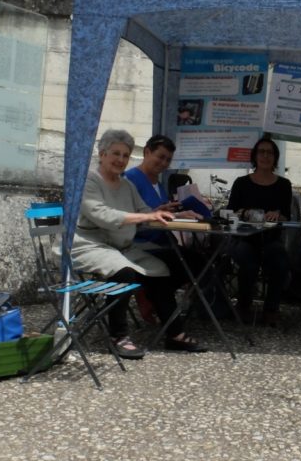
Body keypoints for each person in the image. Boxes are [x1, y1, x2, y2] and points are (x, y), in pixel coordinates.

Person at [70, 129, 206, 356]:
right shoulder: (88, 181)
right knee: (124, 272)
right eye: (116, 154)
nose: (121, 160)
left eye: (125, 156)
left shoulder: (126, 185)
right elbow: (104, 215)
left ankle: (174, 334)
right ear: (102, 154)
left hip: (120, 247)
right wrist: (147, 216)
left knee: (160, 270)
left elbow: (145, 213)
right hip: (89, 246)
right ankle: (118, 335)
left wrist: (174, 214)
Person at [123, 134, 207, 322]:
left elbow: (160, 213)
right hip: (141, 244)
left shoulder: (158, 184)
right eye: (160, 157)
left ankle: (152, 295)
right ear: (146, 152)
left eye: (168, 160)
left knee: (199, 261)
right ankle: (152, 295)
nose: (163, 163)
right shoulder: (130, 179)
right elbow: (126, 217)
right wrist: (157, 213)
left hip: (163, 242)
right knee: (192, 262)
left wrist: (177, 211)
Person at [226, 135, 293, 327]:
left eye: (270, 153)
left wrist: (277, 215)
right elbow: (231, 212)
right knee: (248, 260)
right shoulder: (241, 182)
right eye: (261, 152)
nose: (265, 156)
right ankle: (244, 305)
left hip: (271, 238)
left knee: (279, 258)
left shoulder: (283, 185)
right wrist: (246, 212)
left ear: (275, 158)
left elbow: (287, 216)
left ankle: (271, 309)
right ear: (254, 156)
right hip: (244, 238)